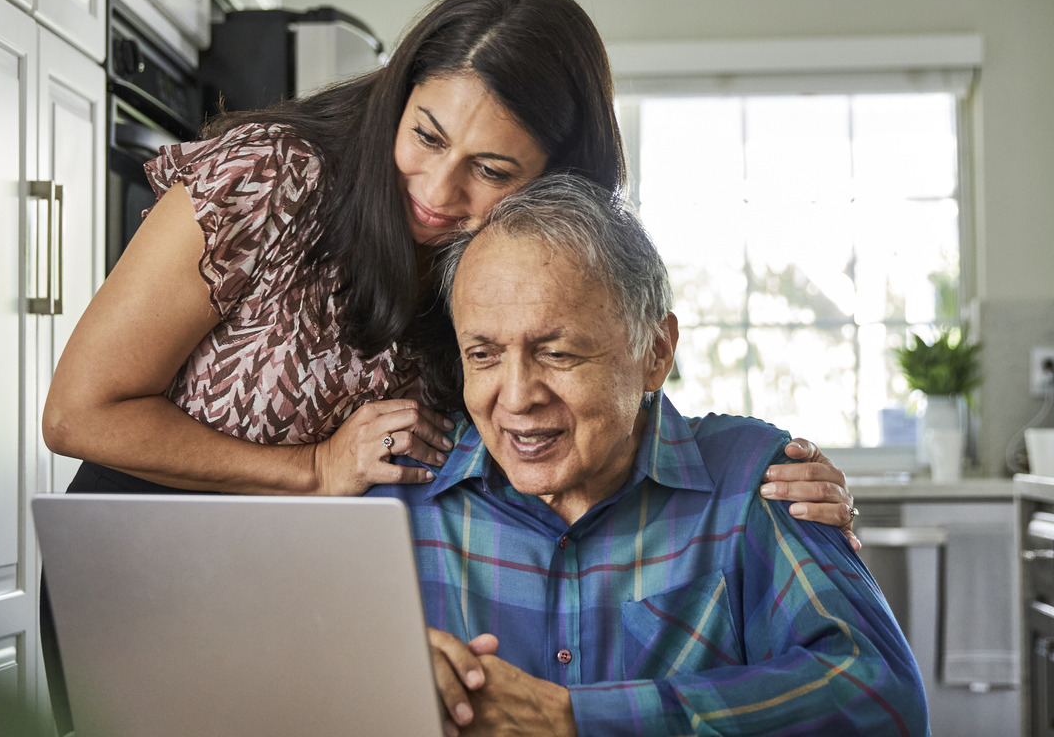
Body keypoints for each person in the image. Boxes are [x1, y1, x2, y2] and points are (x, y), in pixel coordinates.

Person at [41, 0, 859, 530]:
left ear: (557, 181)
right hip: (143, 556)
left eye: (492, 170)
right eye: (426, 135)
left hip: (328, 591)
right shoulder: (270, 176)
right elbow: (78, 415)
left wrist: (764, 484)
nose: (436, 190)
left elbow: (603, 396)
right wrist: (314, 468)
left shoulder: (523, 265)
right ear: (400, 95)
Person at [376, 174, 926, 737]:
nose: (516, 397)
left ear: (655, 352)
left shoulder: (751, 481)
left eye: (557, 353)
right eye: (484, 354)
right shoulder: (396, 500)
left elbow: (881, 697)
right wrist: (378, 684)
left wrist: (578, 721)